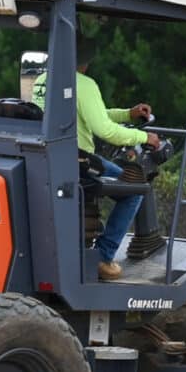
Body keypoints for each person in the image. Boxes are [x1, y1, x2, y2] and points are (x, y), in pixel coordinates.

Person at [31, 38, 161, 282]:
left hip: (47, 158)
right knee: (133, 190)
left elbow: (90, 113)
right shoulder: (84, 83)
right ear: (87, 62)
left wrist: (127, 114)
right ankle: (104, 255)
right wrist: (144, 136)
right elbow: (105, 130)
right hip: (77, 161)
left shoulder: (43, 80)